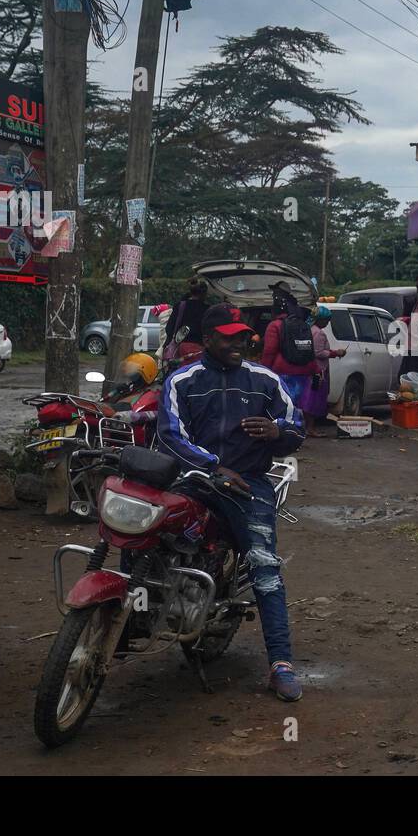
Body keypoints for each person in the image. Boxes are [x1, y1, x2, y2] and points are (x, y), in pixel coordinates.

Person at [158, 303, 306, 701]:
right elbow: (171, 435)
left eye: (242, 335)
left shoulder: (265, 379)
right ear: (208, 339)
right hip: (195, 481)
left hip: (249, 486)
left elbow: (297, 426)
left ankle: (281, 664)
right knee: (147, 532)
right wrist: (213, 467)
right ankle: (123, 623)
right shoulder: (181, 380)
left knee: (264, 566)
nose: (240, 341)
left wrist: (277, 431)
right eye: (229, 336)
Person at [259, 283, 318, 416]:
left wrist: (263, 372)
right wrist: (314, 370)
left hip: (283, 374)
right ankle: (295, 431)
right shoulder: (303, 325)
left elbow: (269, 352)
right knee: (296, 406)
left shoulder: (275, 326)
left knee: (282, 408)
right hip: (303, 374)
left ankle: (284, 432)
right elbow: (310, 350)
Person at [302, 305, 346, 437]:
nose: (327, 323)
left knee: (307, 400)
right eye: (326, 320)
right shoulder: (319, 333)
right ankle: (311, 428)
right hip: (318, 371)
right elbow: (318, 352)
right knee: (313, 401)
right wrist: (335, 353)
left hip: (310, 369)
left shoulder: (309, 329)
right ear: (320, 320)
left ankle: (307, 427)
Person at [163, 277, 209, 367]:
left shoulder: (180, 306)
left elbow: (169, 328)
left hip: (180, 348)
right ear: (204, 293)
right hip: (200, 349)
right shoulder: (207, 309)